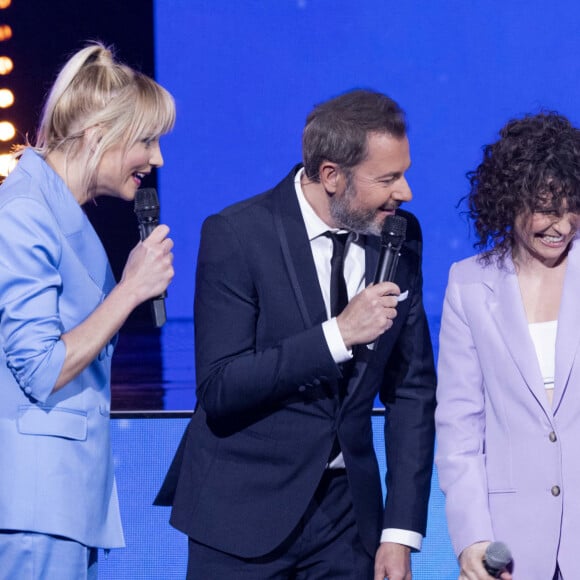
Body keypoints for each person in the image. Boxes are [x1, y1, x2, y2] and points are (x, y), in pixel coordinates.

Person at [162, 89, 436, 579]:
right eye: (388, 178)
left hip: (347, 522)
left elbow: (412, 390)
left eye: (404, 173)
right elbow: (221, 387)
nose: (405, 192)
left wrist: (398, 533)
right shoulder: (238, 234)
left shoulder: (400, 234)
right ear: (331, 175)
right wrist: (338, 334)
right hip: (242, 516)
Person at [0, 42, 175, 579]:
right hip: (37, 505)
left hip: (65, 501)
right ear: (100, 135)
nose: (157, 159)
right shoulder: (27, 211)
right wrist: (129, 290)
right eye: (146, 140)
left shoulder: (53, 209)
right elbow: (41, 367)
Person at [435, 112, 580, 580]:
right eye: (545, 208)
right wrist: (473, 539)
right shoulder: (469, 285)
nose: (561, 224)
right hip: (512, 548)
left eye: (572, 207)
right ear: (510, 202)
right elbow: (460, 429)